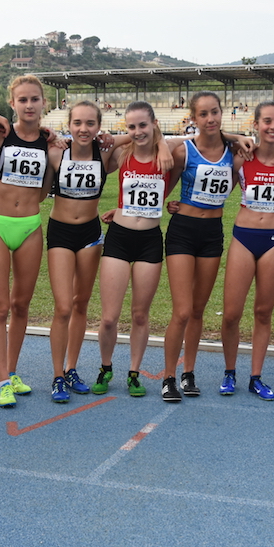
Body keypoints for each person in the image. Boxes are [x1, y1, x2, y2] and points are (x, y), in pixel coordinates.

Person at [93, 102, 179, 397]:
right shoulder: (122, 153)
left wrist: (163, 143)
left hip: (150, 240)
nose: (138, 131)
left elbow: (193, 140)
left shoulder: (169, 154)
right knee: (109, 317)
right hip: (119, 237)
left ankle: (133, 373)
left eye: (143, 125)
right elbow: (101, 144)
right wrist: (128, 136)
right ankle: (105, 367)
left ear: (155, 123)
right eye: (131, 126)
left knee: (140, 315)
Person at [160, 91, 239, 399]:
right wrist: (168, 204)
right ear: (193, 118)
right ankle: (168, 376)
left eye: (214, 112)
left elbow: (230, 185)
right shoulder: (184, 151)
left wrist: (236, 137)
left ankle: (188, 373)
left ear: (222, 113)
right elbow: (162, 189)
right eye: (203, 114)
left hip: (212, 233)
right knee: (181, 311)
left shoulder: (234, 152)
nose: (210, 118)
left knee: (197, 310)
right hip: (183, 231)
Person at [0, 75, 55, 408]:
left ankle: (11, 372)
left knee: (21, 305)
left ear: (44, 103)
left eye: (34, 99)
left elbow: (42, 193)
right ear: (12, 103)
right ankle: (1, 381)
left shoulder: (50, 142)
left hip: (30, 226)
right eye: (22, 100)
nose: (29, 105)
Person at [217, 101, 274, 401]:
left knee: (263, 312)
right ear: (256, 124)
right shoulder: (242, 156)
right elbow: (217, 191)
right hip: (244, 238)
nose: (273, 127)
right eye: (267, 121)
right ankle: (229, 372)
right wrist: (236, 138)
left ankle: (256, 377)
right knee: (231, 314)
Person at [46, 101, 112, 402]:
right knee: (63, 307)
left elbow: (144, 136)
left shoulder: (105, 152)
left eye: (90, 123)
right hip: (60, 232)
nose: (83, 129)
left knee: (80, 304)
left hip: (90, 234)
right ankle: (57, 375)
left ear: (98, 126)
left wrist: (112, 137)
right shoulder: (56, 152)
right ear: (69, 125)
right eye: (77, 123)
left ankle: (71, 368)